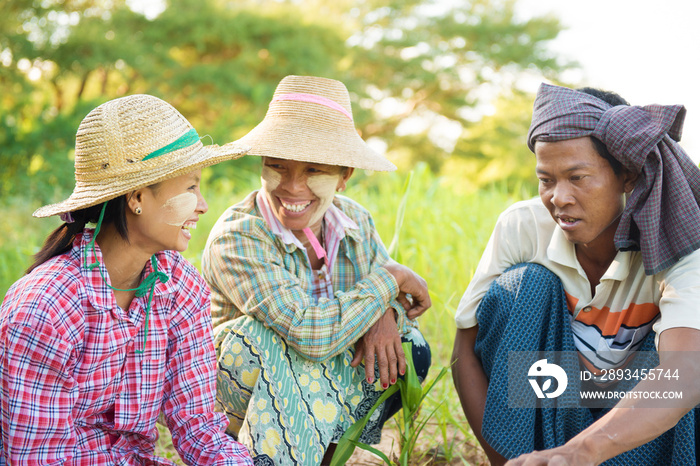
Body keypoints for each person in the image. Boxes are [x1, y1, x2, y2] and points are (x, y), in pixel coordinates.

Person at [451, 83, 700, 465]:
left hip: (637, 429)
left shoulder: (681, 238)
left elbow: (686, 371)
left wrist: (580, 453)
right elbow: (465, 352)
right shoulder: (523, 226)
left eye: (577, 177)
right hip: (552, 405)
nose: (558, 198)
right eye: (546, 180)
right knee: (523, 287)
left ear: (627, 176)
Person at [0, 94, 255, 465]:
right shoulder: (45, 308)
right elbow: (37, 457)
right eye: (190, 187)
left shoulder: (181, 287)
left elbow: (197, 428)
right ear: (137, 197)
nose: (203, 205)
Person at [201, 75, 432, 465]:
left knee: (410, 345)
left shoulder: (356, 221)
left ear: (344, 176)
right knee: (261, 338)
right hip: (236, 391)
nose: (292, 187)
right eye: (277, 166)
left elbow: (374, 300)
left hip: (319, 387)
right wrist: (390, 279)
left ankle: (322, 456)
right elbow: (309, 332)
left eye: (313, 170)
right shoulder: (238, 235)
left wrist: (384, 313)